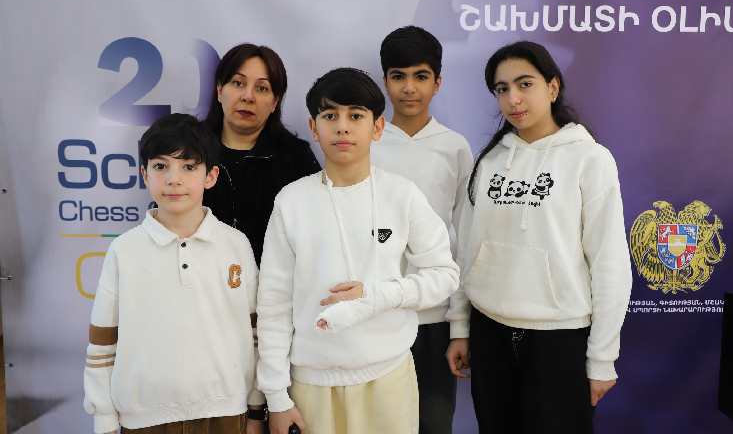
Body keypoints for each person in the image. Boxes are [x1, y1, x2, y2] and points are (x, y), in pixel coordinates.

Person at [255, 68, 460, 434]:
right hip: (311, 384)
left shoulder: (402, 194)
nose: (342, 127)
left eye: (356, 116)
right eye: (329, 116)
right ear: (313, 127)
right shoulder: (291, 201)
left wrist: (379, 296)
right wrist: (276, 396)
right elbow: (273, 304)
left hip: (388, 377)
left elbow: (444, 276)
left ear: (377, 127)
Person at [445, 41, 632, 433]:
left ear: (553, 87)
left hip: (558, 338)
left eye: (524, 84)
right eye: (502, 89)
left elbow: (610, 263)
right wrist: (460, 327)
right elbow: (467, 251)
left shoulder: (589, 159)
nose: (513, 98)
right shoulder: (490, 161)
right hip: (488, 331)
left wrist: (602, 359)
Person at [83, 114, 266, 434]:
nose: (174, 179)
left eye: (189, 167)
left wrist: (255, 408)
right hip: (144, 418)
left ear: (211, 176)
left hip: (226, 412)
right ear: (144, 174)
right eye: (161, 166)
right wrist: (104, 418)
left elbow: (255, 334)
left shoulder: (236, 245)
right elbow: (103, 343)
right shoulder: (124, 251)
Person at [370, 25, 473, 434]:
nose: (409, 88)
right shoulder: (366, 142)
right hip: (376, 314)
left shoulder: (455, 147)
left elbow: (465, 239)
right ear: (385, 82)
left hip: (435, 318)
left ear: (437, 82)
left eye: (421, 76)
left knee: (433, 422)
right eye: (399, 76)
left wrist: (459, 327)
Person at [203, 43, 321, 266]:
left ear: (275, 102)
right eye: (238, 83)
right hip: (201, 281)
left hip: (273, 284)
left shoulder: (297, 157)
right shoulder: (191, 151)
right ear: (219, 90)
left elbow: (315, 235)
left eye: (262, 88)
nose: (248, 96)